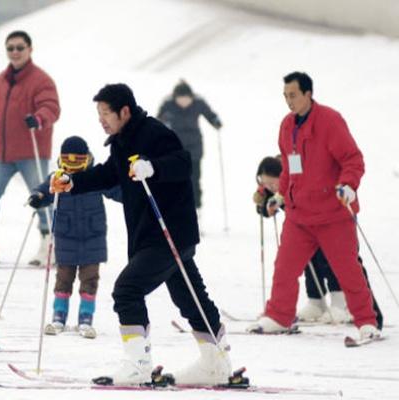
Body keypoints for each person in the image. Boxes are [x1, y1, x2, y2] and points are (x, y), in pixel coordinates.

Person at [50, 84, 232, 385]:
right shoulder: (123, 141)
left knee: (126, 290)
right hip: (159, 234)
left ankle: (138, 364)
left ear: (125, 111)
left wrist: (153, 168)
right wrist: (72, 182)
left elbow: (182, 163)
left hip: (167, 234)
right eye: (99, 114)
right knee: (190, 297)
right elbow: (109, 174)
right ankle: (215, 362)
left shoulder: (154, 133)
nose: (101, 120)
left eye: (106, 113)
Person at [248, 72, 380, 340]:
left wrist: (349, 185)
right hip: (300, 215)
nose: (289, 101)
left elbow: (353, 159)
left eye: (293, 95)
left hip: (332, 212)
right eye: (285, 96)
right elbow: (289, 168)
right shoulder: (287, 126)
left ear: (308, 94)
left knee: (347, 271)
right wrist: (280, 195)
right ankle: (278, 316)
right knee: (284, 268)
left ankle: (367, 322)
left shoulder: (330, 120)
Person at [254, 156, 383, 328]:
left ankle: (344, 304)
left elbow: (348, 161)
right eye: (266, 185)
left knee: (336, 262)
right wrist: (264, 204)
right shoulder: (286, 163)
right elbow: (272, 202)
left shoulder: (295, 167)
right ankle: (316, 301)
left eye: (272, 184)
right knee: (307, 262)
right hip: (303, 222)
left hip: (331, 215)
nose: (270, 187)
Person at [0, 30, 60, 266]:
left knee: (41, 197)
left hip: (31, 151)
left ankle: (49, 247)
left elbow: (51, 107)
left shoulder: (41, 80)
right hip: (2, 152)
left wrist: (39, 118)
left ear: (30, 49)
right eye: (10, 48)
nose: (15, 52)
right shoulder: (2, 79)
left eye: (19, 48)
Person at [27, 136, 121, 339]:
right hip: (66, 237)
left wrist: (131, 192)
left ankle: (85, 319)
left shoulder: (95, 177)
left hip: (93, 238)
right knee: (63, 280)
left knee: (90, 280)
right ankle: (58, 316)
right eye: (68, 162)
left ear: (86, 159)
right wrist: (38, 197)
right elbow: (44, 190)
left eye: (77, 162)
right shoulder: (58, 178)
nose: (73, 168)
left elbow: (115, 190)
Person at [157, 80, 222, 218]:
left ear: (191, 97)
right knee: (175, 179)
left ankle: (196, 210)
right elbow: (158, 120)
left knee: (194, 180)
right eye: (181, 99)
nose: (184, 102)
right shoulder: (168, 104)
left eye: (187, 99)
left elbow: (209, 114)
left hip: (194, 149)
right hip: (175, 149)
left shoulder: (198, 102)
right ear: (175, 98)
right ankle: (176, 210)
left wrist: (215, 121)